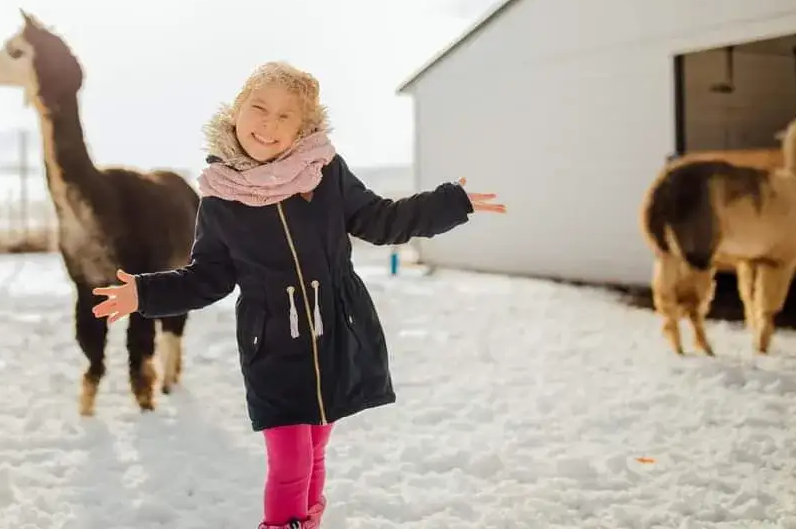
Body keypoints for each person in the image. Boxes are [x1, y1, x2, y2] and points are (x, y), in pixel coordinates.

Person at [91, 61, 506, 529]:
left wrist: (450, 203)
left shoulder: (324, 173)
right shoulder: (221, 197)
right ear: (236, 111)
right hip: (273, 345)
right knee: (289, 461)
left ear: (302, 127)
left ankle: (309, 521)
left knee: (315, 450)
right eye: (259, 108)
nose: (268, 124)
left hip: (336, 334)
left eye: (285, 116)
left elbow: (381, 220)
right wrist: (144, 293)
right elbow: (208, 276)